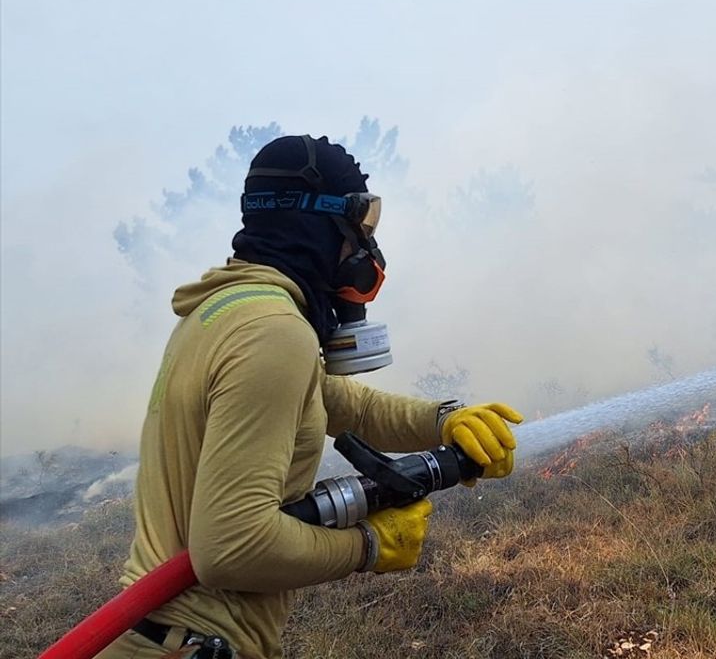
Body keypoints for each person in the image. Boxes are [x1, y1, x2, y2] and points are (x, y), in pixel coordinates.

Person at [97, 135, 522, 659]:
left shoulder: (225, 312)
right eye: (358, 230)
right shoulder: (273, 333)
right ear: (317, 224)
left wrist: (447, 420)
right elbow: (231, 548)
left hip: (160, 637)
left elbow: (347, 405)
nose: (363, 252)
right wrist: (368, 546)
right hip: (196, 644)